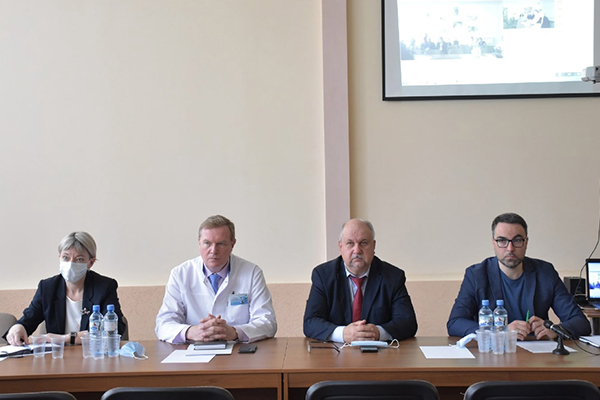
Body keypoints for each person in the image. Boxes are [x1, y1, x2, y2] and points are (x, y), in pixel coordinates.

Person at [447, 213, 591, 340]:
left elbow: (581, 322)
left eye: (517, 240)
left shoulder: (545, 272)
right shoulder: (476, 275)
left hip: (537, 355)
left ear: (526, 242)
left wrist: (555, 330)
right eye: (502, 240)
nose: (510, 248)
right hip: (493, 354)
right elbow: (455, 323)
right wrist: (500, 332)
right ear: (493, 243)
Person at [155, 215, 277, 343]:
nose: (213, 251)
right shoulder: (180, 274)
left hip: (238, 349)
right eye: (207, 243)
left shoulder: (252, 273)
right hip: (192, 350)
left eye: (221, 244)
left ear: (232, 244)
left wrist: (235, 332)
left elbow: (268, 322)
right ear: (199, 243)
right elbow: (163, 324)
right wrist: (191, 332)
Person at [303, 218, 418, 343]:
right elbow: (310, 322)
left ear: (373, 246)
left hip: (380, 353)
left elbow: (408, 323)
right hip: (335, 353)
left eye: (363, 243)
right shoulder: (323, 275)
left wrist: (378, 332)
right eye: (350, 243)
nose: (357, 250)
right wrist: (343, 334)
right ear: (341, 247)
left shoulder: (393, 277)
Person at [4, 232, 126, 346]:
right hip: (57, 357)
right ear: (59, 258)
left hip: (93, 354)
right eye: (66, 257)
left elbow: (115, 328)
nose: (71, 264)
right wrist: (18, 328)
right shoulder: (47, 288)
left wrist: (65, 338)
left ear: (91, 263)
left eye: (79, 259)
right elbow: (28, 319)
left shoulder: (104, 287)